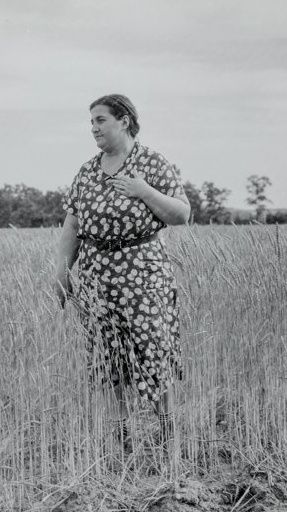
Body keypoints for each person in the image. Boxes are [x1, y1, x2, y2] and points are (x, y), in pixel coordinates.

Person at [55, 94, 189, 472]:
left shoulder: (152, 162)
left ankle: (170, 460)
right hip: (97, 279)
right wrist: (62, 273)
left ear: (125, 120)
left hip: (144, 277)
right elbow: (73, 225)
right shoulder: (87, 171)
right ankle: (123, 457)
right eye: (91, 122)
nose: (93, 128)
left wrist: (143, 190)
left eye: (101, 120)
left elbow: (182, 214)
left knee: (154, 359)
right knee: (108, 366)